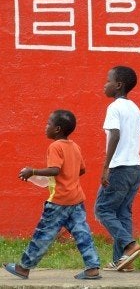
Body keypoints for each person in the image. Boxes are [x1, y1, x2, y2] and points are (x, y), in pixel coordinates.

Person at [3, 110, 101, 280]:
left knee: (43, 235)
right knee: (82, 233)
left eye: (48, 123)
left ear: (57, 129)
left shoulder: (55, 146)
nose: (45, 126)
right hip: (76, 199)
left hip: (59, 201)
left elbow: (55, 170)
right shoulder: (75, 146)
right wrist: (69, 177)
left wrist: (31, 171)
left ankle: (23, 268)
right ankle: (92, 268)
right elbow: (82, 170)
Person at [95, 66, 140, 272]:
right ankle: (123, 261)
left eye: (108, 80)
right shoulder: (135, 108)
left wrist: (106, 167)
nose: (104, 84)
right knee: (123, 212)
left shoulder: (114, 107)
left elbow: (114, 135)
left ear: (118, 85)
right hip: (136, 168)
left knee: (102, 209)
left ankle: (130, 245)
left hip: (120, 168)